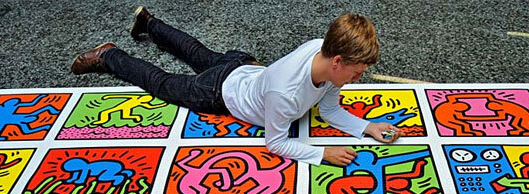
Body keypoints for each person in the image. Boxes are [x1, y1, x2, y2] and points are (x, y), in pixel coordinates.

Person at [71, 8, 401, 166]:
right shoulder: (285, 94)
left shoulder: (322, 49)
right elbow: (276, 144)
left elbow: (328, 109)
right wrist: (322, 153)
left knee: (195, 51)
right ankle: (108, 56)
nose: (358, 79)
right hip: (219, 91)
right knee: (162, 83)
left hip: (244, 65)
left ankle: (149, 22)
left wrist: (367, 127)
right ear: (338, 61)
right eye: (356, 72)